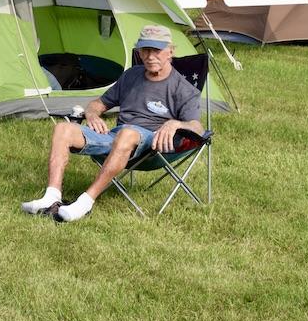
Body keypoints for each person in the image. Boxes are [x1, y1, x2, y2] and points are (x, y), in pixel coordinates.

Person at [21, 25, 203, 222]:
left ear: (170, 52)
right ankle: (51, 196)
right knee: (63, 128)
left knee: (128, 133)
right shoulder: (132, 75)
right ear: (139, 52)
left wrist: (175, 124)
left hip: (150, 147)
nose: (150, 56)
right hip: (115, 137)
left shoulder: (183, 89)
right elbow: (97, 104)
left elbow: (197, 128)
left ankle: (85, 203)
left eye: (156, 50)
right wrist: (92, 114)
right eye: (145, 50)